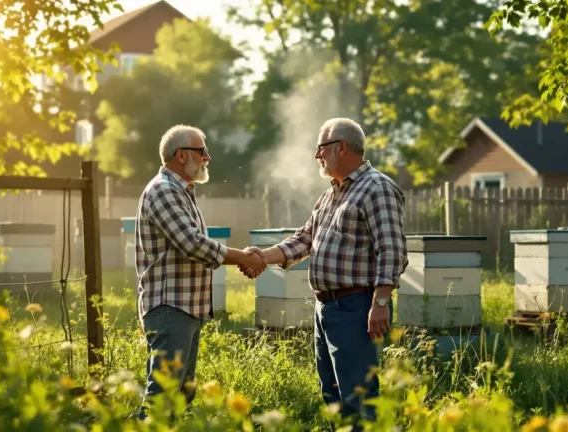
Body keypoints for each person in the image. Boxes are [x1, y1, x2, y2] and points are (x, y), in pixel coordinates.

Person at [241, 118, 408, 428]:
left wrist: (380, 302)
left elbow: (392, 250)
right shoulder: (331, 193)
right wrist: (260, 256)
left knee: (358, 398)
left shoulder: (377, 187)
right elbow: (304, 239)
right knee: (332, 397)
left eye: (320, 148)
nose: (317, 156)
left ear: (341, 147)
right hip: (326, 308)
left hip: (356, 307)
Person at [135, 124, 266, 419]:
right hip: (171, 308)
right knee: (163, 398)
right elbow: (193, 244)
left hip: (185, 309)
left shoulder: (181, 191)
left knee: (180, 394)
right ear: (182, 155)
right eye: (202, 151)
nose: (208, 158)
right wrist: (243, 257)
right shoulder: (164, 191)